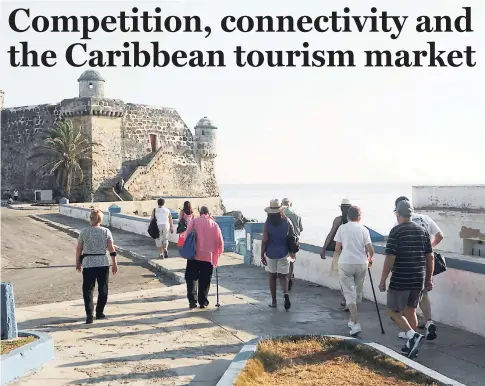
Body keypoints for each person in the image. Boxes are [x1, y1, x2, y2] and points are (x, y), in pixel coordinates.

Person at [379, 200, 434, 358]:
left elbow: (390, 257)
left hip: (401, 278)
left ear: (397, 213)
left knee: (392, 310)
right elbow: (429, 257)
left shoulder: (396, 231)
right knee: (411, 310)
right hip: (418, 278)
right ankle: (413, 345)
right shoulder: (422, 231)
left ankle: (412, 336)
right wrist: (428, 279)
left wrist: (383, 279)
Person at [394, 196, 444, 341]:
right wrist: (429, 248)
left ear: (398, 210)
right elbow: (440, 235)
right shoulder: (425, 218)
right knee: (424, 294)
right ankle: (429, 322)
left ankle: (409, 331)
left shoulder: (400, 221)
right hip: (426, 262)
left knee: (407, 298)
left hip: (408, 264)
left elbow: (395, 246)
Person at [334, 206, 374, 336]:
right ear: (359, 217)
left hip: (346, 263)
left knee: (349, 293)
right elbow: (370, 249)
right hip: (362, 263)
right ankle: (352, 320)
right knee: (357, 292)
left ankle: (356, 323)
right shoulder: (364, 229)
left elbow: (337, 248)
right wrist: (370, 259)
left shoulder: (342, 228)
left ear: (348, 216)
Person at [76, 208, 118, 324]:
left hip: (88, 263)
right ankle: (99, 312)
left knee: (88, 290)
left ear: (91, 219)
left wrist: (77, 262)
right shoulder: (106, 231)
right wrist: (115, 262)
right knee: (103, 289)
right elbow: (111, 248)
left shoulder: (84, 232)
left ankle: (89, 314)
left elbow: (79, 248)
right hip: (103, 263)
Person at [184, 206, 224, 309]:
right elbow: (220, 241)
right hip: (208, 257)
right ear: (208, 213)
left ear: (200, 212)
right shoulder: (214, 225)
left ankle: (192, 301)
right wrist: (218, 253)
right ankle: (203, 301)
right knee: (205, 280)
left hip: (194, 256)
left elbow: (187, 235)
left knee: (191, 278)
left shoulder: (194, 222)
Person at [261, 199, 297, 311]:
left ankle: (274, 301)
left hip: (271, 252)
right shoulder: (287, 221)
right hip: (284, 252)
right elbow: (293, 237)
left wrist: (262, 254)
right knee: (283, 276)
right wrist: (292, 252)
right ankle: (286, 294)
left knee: (272, 276)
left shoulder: (267, 223)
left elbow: (265, 240)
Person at [321, 198, 352, 311]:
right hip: (352, 252)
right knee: (351, 279)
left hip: (340, 252)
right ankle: (350, 301)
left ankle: (346, 300)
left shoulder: (338, 220)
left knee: (343, 279)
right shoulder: (354, 221)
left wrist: (324, 248)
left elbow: (331, 234)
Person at [281, 198, 303, 291]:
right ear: (291, 204)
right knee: (291, 260)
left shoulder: (281, 215)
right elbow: (300, 229)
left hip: (283, 240)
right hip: (294, 241)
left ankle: (285, 279)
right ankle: (289, 278)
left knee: (283, 260)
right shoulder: (297, 216)